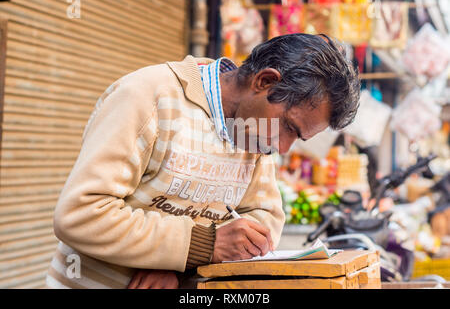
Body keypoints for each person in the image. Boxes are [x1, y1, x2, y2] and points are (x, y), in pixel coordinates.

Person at [45, 33, 360, 289]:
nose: (283, 146)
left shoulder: (255, 132)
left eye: (298, 137)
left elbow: (263, 221)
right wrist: (200, 246)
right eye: (289, 126)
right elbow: (80, 214)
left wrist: (185, 265)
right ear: (264, 82)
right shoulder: (147, 97)